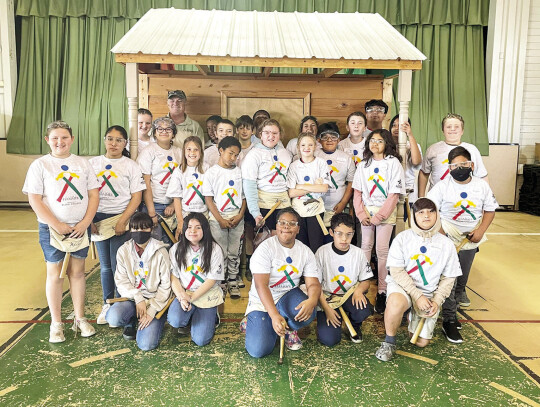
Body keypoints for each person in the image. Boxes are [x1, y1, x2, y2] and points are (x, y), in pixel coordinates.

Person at [23, 120, 99, 343]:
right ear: (47, 140)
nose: (60, 142)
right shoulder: (40, 165)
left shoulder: (83, 164)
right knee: (55, 274)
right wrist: (56, 224)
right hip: (52, 229)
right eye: (55, 138)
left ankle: (80, 318)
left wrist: (86, 221)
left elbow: (93, 195)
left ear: (72, 139)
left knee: (77, 272)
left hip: (79, 227)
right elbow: (34, 199)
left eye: (64, 137)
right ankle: (56, 323)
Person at [375, 198, 462, 361]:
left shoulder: (446, 244)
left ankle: (411, 315)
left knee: (421, 342)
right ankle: (389, 342)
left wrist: (437, 301)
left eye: (431, 211)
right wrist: (417, 296)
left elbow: (449, 278)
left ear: (437, 214)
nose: (426, 216)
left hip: (429, 293)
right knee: (395, 303)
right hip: (404, 288)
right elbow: (396, 271)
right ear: (414, 216)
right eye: (421, 212)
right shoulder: (402, 238)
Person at [427, 146, 497, 343]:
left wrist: (481, 231)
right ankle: (448, 320)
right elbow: (430, 211)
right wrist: (442, 236)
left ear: (471, 165)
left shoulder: (481, 186)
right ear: (449, 167)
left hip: (471, 237)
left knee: (462, 279)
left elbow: (490, 210)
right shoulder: (442, 186)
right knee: (450, 279)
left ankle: (453, 313)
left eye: (464, 164)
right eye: (455, 165)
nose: (460, 168)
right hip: (447, 234)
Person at [244, 208, 322, 357]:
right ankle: (255, 321)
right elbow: (261, 285)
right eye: (282, 223)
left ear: (298, 229)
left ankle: (288, 329)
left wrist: (312, 299)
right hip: (263, 300)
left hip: (287, 296)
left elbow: (313, 284)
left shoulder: (305, 251)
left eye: (292, 223)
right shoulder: (265, 249)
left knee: (309, 310)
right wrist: (273, 315)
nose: (287, 226)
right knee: (258, 351)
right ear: (277, 226)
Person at [89, 125, 146, 324]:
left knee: (118, 265)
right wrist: (89, 220)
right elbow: (87, 194)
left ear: (125, 143)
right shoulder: (93, 163)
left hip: (122, 218)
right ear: (104, 140)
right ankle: (107, 302)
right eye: (110, 139)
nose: (114, 144)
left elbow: (137, 197)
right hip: (97, 219)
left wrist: (123, 220)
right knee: (105, 266)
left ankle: (121, 302)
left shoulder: (131, 165)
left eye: (119, 140)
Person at [352, 129, 405, 314]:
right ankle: (363, 286)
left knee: (382, 251)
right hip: (366, 213)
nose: (375, 144)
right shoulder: (363, 164)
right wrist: (361, 214)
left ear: (387, 143)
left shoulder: (393, 163)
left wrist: (379, 216)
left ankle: (382, 291)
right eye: (372, 140)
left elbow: (393, 195)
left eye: (380, 141)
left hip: (385, 213)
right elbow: (357, 191)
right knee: (365, 247)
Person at [106, 212, 171, 351]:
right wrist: (137, 296)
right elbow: (121, 281)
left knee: (146, 345)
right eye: (135, 229)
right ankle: (132, 319)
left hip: (154, 300)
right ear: (130, 230)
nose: (139, 232)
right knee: (113, 317)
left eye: (144, 229)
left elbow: (166, 286)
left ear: (151, 230)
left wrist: (152, 310)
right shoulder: (123, 250)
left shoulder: (161, 252)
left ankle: (155, 319)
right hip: (132, 299)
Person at [316, 213, 373, 346]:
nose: (344, 239)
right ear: (331, 232)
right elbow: (315, 285)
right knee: (330, 340)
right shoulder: (321, 252)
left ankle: (354, 324)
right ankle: (333, 317)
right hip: (328, 298)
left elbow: (365, 280)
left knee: (364, 309)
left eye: (349, 234)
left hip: (349, 295)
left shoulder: (358, 253)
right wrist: (326, 308)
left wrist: (359, 291)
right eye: (339, 233)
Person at [167, 213, 224, 346]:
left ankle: (212, 316)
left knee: (201, 340)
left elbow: (211, 280)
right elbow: (173, 276)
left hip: (205, 293)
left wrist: (191, 298)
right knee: (175, 320)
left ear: (205, 229)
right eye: (189, 227)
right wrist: (182, 297)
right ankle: (190, 316)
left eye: (198, 227)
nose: (193, 231)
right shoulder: (175, 249)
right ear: (184, 229)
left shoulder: (215, 249)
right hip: (185, 292)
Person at [203, 136, 246, 299]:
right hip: (217, 219)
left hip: (236, 217)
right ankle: (220, 279)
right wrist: (220, 219)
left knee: (234, 250)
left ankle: (233, 279)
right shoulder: (211, 173)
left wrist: (240, 215)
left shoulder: (239, 172)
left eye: (236, 155)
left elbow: (243, 197)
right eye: (231, 153)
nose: (233, 158)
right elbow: (208, 198)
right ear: (220, 151)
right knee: (220, 251)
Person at [418, 113, 488, 197]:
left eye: (456, 127)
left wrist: (486, 199)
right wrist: (421, 198)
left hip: (464, 197)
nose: (452, 129)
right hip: (437, 198)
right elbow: (424, 173)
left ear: (462, 131)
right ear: (443, 130)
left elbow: (482, 175)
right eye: (448, 127)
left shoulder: (472, 149)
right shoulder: (433, 149)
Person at [137, 117, 182, 246]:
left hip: (175, 205)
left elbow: (183, 182)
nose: (164, 131)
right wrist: (151, 212)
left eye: (168, 129)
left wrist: (174, 204)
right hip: (153, 205)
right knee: (154, 245)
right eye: (160, 129)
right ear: (155, 132)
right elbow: (146, 183)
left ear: (173, 133)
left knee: (173, 244)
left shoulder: (179, 152)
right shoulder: (148, 152)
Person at [241, 119, 292, 234]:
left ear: (280, 135)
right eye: (267, 133)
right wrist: (255, 212)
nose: (271, 136)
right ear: (260, 134)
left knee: (283, 238)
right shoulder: (254, 154)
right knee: (264, 241)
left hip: (283, 203)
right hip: (263, 204)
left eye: (275, 133)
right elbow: (249, 184)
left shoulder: (284, 153)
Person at [287, 132, 331, 253]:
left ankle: (315, 271)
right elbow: (291, 193)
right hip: (298, 210)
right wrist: (314, 186)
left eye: (310, 145)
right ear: (298, 147)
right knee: (300, 247)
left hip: (316, 209)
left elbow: (324, 188)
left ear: (315, 146)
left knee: (316, 247)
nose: (307, 148)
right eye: (303, 145)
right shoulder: (294, 166)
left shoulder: (321, 163)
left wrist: (300, 186)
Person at [315, 128, 355, 243]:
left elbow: (351, 182)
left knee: (334, 241)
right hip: (316, 208)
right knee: (316, 241)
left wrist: (343, 203)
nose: (329, 140)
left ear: (339, 139)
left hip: (337, 208)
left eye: (333, 137)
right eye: (325, 137)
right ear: (319, 140)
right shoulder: (314, 155)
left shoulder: (346, 158)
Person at [166, 136, 208, 240]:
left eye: (196, 149)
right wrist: (180, 221)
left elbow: (210, 195)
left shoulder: (207, 168)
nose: (192, 153)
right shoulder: (179, 171)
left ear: (201, 152)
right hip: (186, 213)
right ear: (184, 152)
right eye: (189, 149)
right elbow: (177, 198)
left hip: (204, 212)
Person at [389, 114, 423, 208]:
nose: (396, 128)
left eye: (400, 125)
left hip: (409, 191)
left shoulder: (411, 145)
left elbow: (416, 162)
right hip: (390, 192)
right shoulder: (386, 146)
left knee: (407, 220)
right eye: (393, 125)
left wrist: (410, 134)